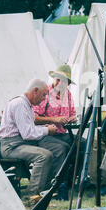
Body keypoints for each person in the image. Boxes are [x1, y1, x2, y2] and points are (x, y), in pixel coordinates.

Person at [0, 79, 69, 197]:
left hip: (21, 143)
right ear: (35, 91)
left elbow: (28, 128)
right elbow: (27, 133)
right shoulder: (20, 104)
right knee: (44, 156)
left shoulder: (26, 105)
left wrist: (44, 127)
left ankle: (49, 188)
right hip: (12, 146)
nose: (44, 98)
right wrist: (47, 130)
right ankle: (33, 194)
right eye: (43, 95)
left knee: (58, 148)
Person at [33, 64, 84, 200]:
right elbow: (34, 118)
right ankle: (57, 187)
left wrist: (73, 118)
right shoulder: (45, 94)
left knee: (83, 145)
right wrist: (54, 119)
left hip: (63, 134)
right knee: (62, 148)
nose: (59, 83)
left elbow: (72, 114)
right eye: (57, 79)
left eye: (63, 80)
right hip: (45, 135)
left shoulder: (68, 94)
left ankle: (72, 182)